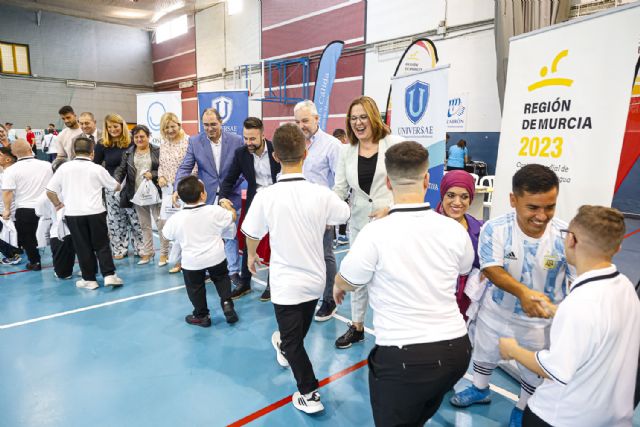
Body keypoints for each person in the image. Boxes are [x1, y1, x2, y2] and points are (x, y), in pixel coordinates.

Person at [335, 141, 474, 426]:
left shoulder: (375, 233)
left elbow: (348, 280)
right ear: (427, 180)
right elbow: (463, 269)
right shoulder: (453, 230)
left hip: (404, 358)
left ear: (387, 182)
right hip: (456, 354)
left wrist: (338, 284)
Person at [242, 123, 350, 415]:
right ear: (306, 152)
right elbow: (344, 212)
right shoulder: (321, 194)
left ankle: (309, 394)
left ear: (275, 156)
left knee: (293, 342)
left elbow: (251, 231)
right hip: (316, 281)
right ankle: (287, 350)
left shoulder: (266, 195)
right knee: (294, 339)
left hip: (286, 283)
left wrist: (252, 255)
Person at [450, 164, 569, 427]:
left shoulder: (565, 235)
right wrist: (524, 293)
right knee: (484, 352)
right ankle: (480, 389)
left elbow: (577, 279)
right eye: (533, 207)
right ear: (513, 200)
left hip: (539, 324)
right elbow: (492, 269)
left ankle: (523, 406)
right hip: (496, 312)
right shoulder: (495, 228)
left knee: (534, 369)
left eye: (549, 206)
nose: (542, 215)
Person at [499, 205, 640, 427]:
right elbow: (602, 327)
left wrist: (512, 349)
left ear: (572, 240)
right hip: (611, 417)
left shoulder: (580, 302)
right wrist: (557, 312)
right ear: (619, 246)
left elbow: (553, 369)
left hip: (562, 418)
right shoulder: (625, 287)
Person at [332, 95, 404, 347]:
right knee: (358, 274)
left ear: (374, 117)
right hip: (360, 223)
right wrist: (326, 212)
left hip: (391, 223)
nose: (358, 123)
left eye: (363, 117)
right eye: (353, 118)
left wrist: (392, 208)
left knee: (391, 277)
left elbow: (411, 183)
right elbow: (339, 189)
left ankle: (395, 331)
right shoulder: (346, 151)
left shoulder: (394, 144)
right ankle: (357, 325)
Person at [174, 108, 244, 286]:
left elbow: (243, 168)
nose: (210, 128)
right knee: (206, 235)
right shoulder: (195, 141)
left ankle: (233, 271)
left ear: (221, 123)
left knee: (230, 235)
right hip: (206, 195)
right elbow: (185, 167)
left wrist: (230, 187)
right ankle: (206, 269)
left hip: (230, 194)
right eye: (206, 125)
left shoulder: (236, 141)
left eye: (213, 124)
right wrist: (178, 188)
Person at [46, 136, 124, 290]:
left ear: (74, 151)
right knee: (102, 244)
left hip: (73, 213)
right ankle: (109, 276)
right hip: (96, 212)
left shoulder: (64, 168)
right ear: (92, 152)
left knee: (82, 246)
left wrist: (58, 205)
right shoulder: (97, 168)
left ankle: (89, 279)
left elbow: (50, 191)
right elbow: (116, 187)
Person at [163, 176, 239, 327]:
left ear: (180, 197)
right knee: (222, 279)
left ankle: (202, 315)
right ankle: (227, 303)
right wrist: (227, 206)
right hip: (216, 256)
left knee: (195, 288)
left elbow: (166, 235)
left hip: (192, 261)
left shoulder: (176, 218)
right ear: (203, 194)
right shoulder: (214, 211)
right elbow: (232, 217)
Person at [219, 117, 281, 301]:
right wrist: (223, 197)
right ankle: (245, 283)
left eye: (252, 138)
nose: (249, 143)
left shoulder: (276, 150)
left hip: (278, 201)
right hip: (256, 202)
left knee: (276, 243)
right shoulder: (241, 153)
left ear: (263, 135)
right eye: (246, 138)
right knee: (248, 238)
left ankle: (272, 284)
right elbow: (229, 178)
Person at [293, 100, 342, 322]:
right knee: (304, 257)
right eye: (297, 121)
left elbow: (341, 182)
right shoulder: (296, 144)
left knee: (325, 256)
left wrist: (331, 214)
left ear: (316, 119)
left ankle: (330, 300)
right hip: (298, 212)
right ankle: (308, 296)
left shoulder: (332, 145)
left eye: (305, 120)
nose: (301, 125)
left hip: (322, 213)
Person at [114, 125, 167, 265]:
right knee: (144, 225)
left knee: (161, 224)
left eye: (142, 136)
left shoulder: (157, 150)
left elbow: (164, 168)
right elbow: (121, 169)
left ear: (148, 136)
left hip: (156, 192)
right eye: (136, 137)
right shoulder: (128, 153)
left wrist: (154, 174)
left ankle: (164, 254)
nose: (139, 139)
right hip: (137, 193)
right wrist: (116, 181)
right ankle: (148, 253)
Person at [94, 113, 143, 260]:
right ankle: (119, 249)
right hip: (112, 188)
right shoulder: (102, 144)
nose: (113, 129)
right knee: (115, 219)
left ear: (122, 126)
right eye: (109, 127)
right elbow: (95, 166)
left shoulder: (131, 142)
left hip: (133, 187)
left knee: (136, 218)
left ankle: (141, 247)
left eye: (116, 126)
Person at [436, 170, 483, 319]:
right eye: (451, 195)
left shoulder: (481, 229)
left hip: (465, 308)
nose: (457, 202)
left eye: (464, 197)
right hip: (432, 306)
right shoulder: (426, 226)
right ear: (442, 195)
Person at [1, 139, 52, 271]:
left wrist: (7, 210)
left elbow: (7, 192)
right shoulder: (47, 165)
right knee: (54, 235)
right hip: (47, 208)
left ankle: (35, 262)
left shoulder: (11, 170)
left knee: (28, 238)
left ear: (14, 153)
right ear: (30, 149)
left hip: (25, 209)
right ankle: (60, 261)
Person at [157, 112, 193, 271]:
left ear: (179, 125)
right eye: (166, 127)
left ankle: (181, 261)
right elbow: (161, 165)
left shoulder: (188, 141)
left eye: (172, 126)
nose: (170, 130)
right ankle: (165, 253)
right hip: (167, 190)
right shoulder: (164, 143)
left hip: (184, 189)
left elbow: (194, 165)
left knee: (182, 226)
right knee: (165, 223)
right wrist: (161, 177)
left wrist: (184, 185)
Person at [35, 158, 75, 279]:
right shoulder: (47, 195)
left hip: (62, 233)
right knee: (64, 273)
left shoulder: (45, 195)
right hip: (71, 231)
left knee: (63, 274)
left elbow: (41, 213)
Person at [0, 146, 21, 265]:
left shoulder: (6, 175)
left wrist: (6, 210)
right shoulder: (15, 172)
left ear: (8, 160)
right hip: (15, 211)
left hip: (7, 213)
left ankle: (12, 255)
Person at [332, 128, 349, 246]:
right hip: (335, 186)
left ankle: (341, 235)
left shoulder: (347, 150)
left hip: (343, 186)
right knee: (334, 211)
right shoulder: (337, 149)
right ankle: (335, 236)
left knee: (341, 209)